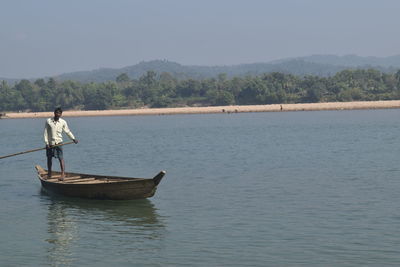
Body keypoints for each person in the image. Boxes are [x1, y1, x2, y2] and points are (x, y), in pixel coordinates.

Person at [44, 108, 78, 180]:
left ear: (61, 114)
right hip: (50, 143)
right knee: (49, 158)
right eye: (56, 113)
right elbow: (45, 133)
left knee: (61, 158)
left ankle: (63, 174)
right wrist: (46, 143)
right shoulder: (48, 121)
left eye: (59, 113)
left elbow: (67, 131)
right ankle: (49, 174)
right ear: (54, 113)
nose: (57, 114)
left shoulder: (63, 122)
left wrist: (73, 138)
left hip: (59, 143)